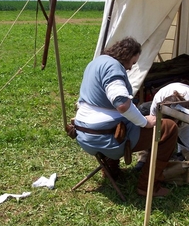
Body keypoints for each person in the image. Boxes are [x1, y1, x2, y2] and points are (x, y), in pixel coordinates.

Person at [73, 37, 178, 197]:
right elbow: (121, 104)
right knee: (168, 128)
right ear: (128, 55)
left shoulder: (95, 63)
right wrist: (144, 122)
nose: (130, 67)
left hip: (83, 134)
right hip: (107, 139)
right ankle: (148, 186)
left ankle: (111, 170)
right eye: (132, 62)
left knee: (117, 121)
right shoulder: (113, 67)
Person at [135, 82, 189, 171]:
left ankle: (179, 157)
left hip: (187, 120)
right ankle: (144, 158)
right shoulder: (158, 101)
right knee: (145, 117)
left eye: (174, 122)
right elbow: (152, 126)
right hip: (160, 111)